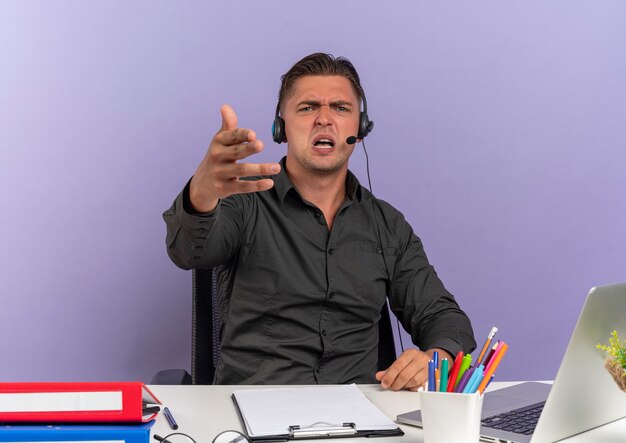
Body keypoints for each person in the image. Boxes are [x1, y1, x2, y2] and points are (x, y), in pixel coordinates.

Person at [163, 53, 476, 390]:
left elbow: (445, 318)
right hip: (256, 413)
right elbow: (187, 252)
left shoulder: (387, 224)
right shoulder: (242, 204)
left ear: (361, 127)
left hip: (360, 419)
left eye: (340, 108)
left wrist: (437, 356)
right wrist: (202, 193)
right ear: (281, 126)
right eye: (308, 107)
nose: (325, 120)